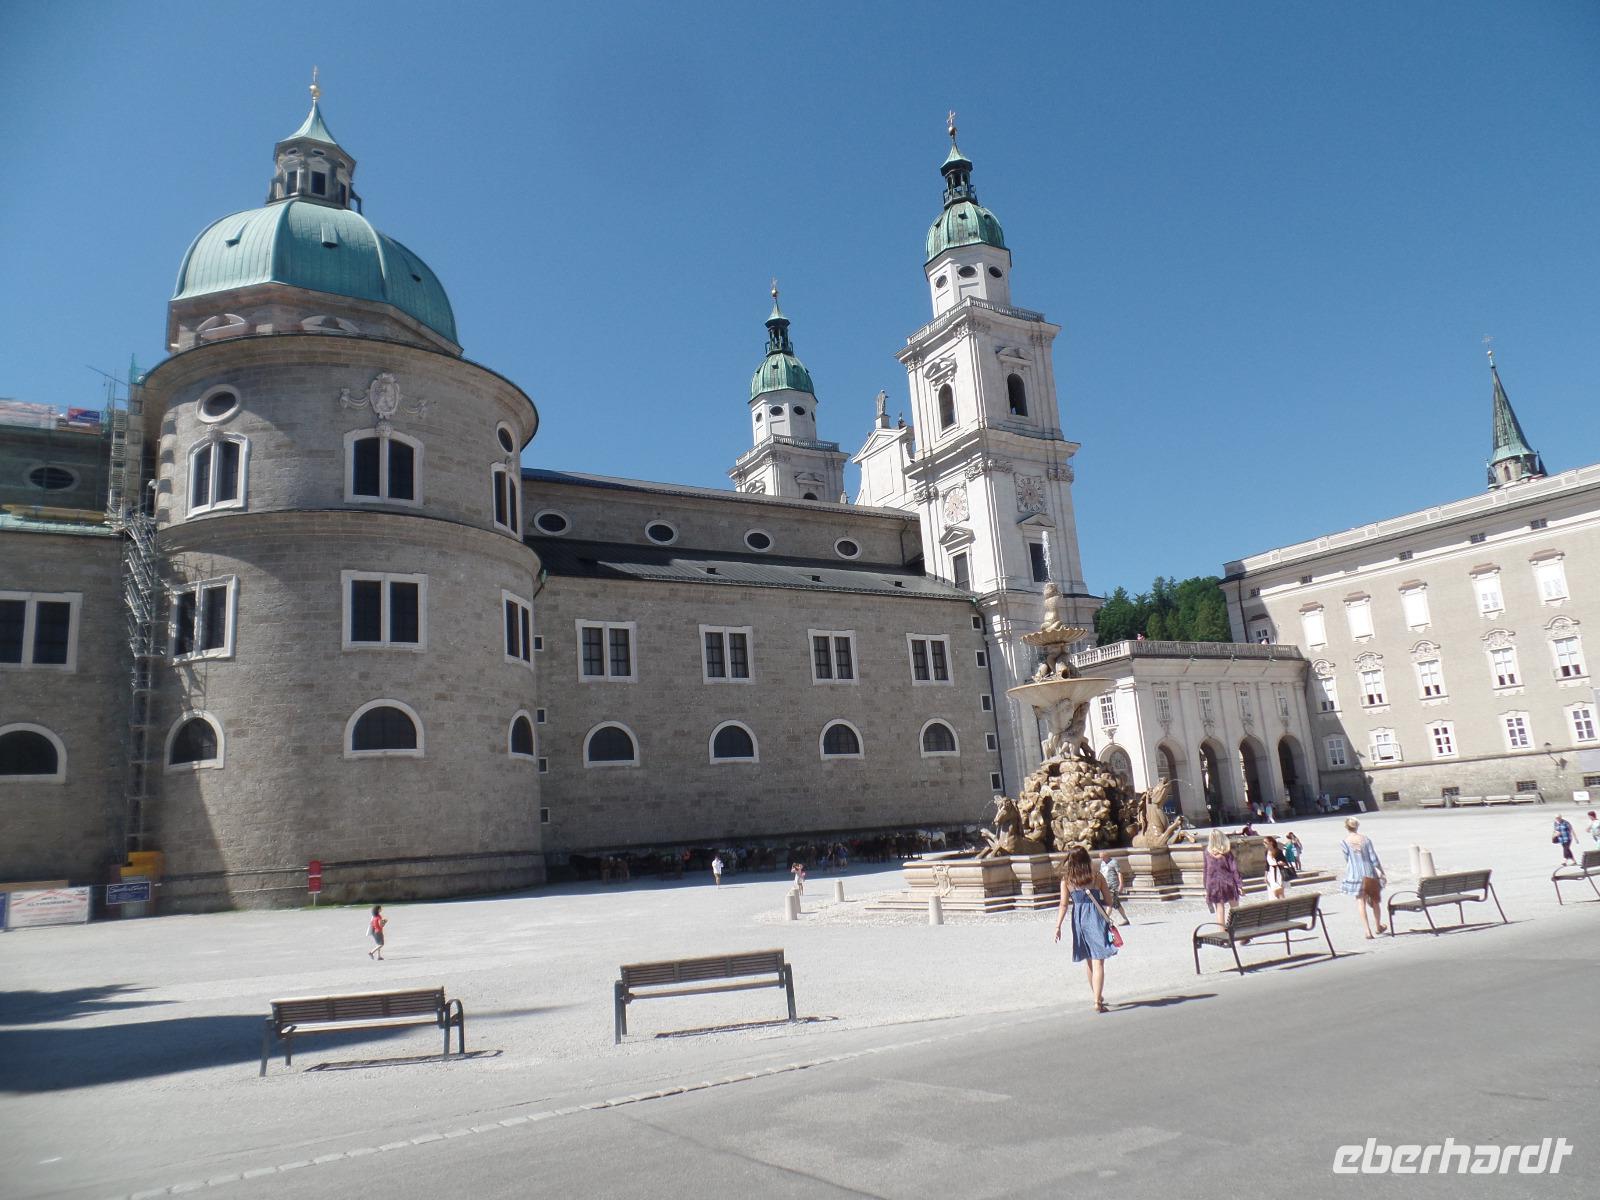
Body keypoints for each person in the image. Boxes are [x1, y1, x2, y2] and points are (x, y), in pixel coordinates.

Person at [1053, 847, 1117, 1012]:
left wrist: (1058, 926)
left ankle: (1097, 997)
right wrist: (1105, 916)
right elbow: (1109, 901)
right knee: (1099, 961)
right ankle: (1097, 1001)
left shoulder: (1067, 880)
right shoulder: (1097, 876)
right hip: (1096, 919)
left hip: (1079, 921)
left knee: (1088, 959)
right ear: (1087, 860)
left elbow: (1063, 905)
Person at [1340, 817, 1387, 938]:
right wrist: (1381, 871)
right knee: (1375, 901)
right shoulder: (1366, 840)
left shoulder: (1344, 842)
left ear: (1346, 827)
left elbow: (1347, 858)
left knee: (1361, 902)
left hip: (1355, 874)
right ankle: (1378, 926)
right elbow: (1373, 858)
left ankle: (1367, 931)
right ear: (1357, 826)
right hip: (1369, 872)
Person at [1203, 829, 1243, 930]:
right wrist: (1239, 885)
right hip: (1228, 882)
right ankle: (1240, 933)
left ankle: (1222, 933)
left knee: (1219, 910)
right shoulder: (1226, 853)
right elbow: (1234, 869)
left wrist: (1206, 887)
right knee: (1235, 908)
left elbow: (1206, 870)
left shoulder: (1207, 853)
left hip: (1213, 884)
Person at [1098, 851, 1131, 926]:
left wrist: (1121, 884)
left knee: (1110, 903)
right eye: (1100, 858)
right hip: (1105, 885)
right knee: (1117, 904)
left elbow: (1119, 873)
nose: (1102, 859)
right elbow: (1101, 873)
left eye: (1102, 857)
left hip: (1113, 886)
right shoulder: (1102, 863)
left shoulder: (1114, 862)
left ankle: (1105, 920)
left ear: (1107, 856)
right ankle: (1125, 919)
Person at [1262, 835, 1289, 900]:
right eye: (1264, 842)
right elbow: (1267, 865)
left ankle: (1283, 905)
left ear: (1271, 842)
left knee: (1278, 892)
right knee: (1273, 893)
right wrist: (1265, 876)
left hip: (1279, 872)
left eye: (1265, 842)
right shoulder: (1266, 852)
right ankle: (1279, 906)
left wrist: (1282, 863)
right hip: (1271, 873)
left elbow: (1285, 862)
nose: (1264, 844)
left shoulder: (1278, 851)